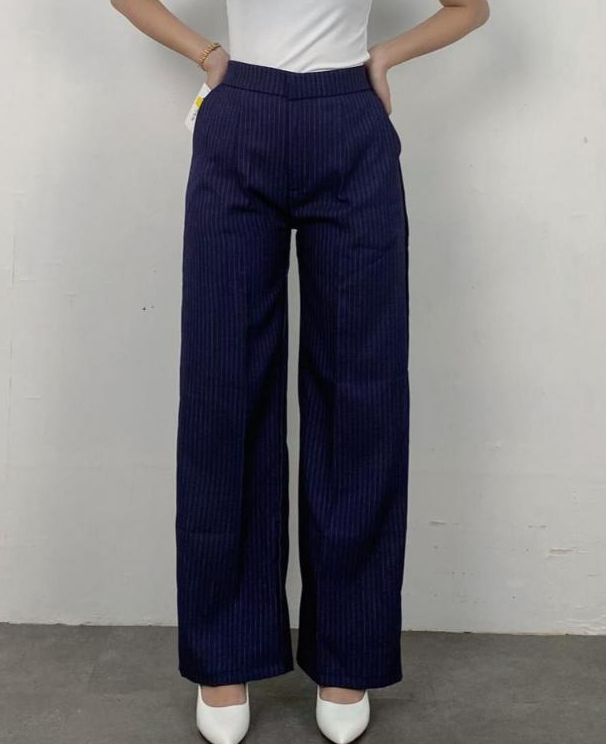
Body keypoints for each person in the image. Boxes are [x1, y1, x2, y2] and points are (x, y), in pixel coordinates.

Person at [110, 1, 489, 742]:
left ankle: (348, 654)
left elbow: (470, 8)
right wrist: (207, 53)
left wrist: (383, 57)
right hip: (240, 115)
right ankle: (225, 656)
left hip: (349, 120)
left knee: (361, 391)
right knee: (223, 390)